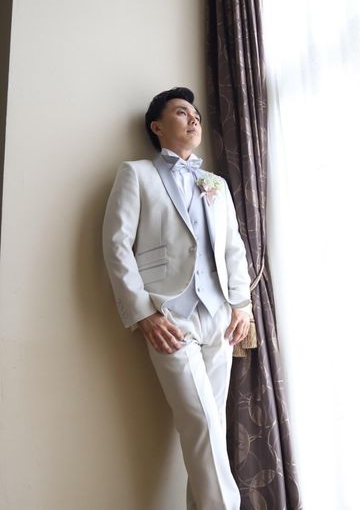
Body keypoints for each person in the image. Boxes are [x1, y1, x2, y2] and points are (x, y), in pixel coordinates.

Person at [102, 86, 252, 510]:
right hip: (169, 316)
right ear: (157, 126)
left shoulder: (215, 184)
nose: (194, 118)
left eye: (196, 114)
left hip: (220, 319)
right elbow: (116, 246)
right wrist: (143, 313)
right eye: (182, 112)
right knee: (200, 422)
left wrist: (242, 305)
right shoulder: (136, 174)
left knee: (210, 426)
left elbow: (233, 248)